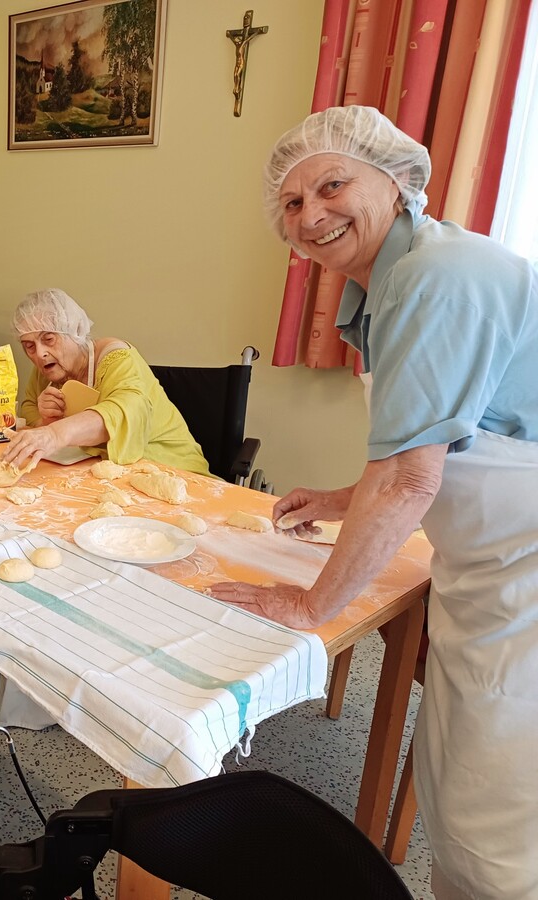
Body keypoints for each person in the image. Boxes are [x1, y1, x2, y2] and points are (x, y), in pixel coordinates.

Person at [209, 106, 538, 900]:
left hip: (523, 564)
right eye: (291, 204)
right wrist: (341, 498)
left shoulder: (434, 278)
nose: (311, 214)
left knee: (498, 794)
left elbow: (412, 479)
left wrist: (313, 603)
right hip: (492, 554)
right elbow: (449, 439)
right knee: (459, 753)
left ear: (394, 181)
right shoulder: (395, 277)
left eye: (331, 185)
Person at [2, 288, 210, 476]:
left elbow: (126, 412)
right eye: (29, 346)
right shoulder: (48, 368)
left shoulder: (117, 358)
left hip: (172, 470)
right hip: (110, 474)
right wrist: (45, 421)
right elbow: (29, 407)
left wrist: (55, 434)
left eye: (49, 339)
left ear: (74, 331)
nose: (39, 353)